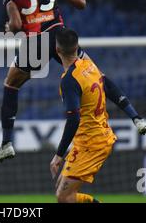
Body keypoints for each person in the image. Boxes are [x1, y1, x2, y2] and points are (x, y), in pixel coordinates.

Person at [0, 0, 146, 163]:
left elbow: (15, 24)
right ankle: (138, 119)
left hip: (37, 42)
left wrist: (8, 28)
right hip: (60, 36)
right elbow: (81, 3)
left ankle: (6, 143)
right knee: (98, 76)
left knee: (11, 84)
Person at [50, 28, 116, 203]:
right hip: (93, 138)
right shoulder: (89, 65)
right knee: (64, 193)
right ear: (77, 46)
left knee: (63, 197)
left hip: (91, 143)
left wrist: (59, 154)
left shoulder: (69, 80)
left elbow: (73, 119)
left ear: (57, 50)